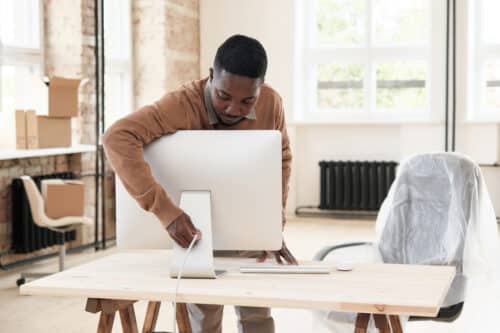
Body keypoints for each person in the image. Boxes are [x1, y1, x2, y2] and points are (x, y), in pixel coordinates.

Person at [102, 34, 297, 333]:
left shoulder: (272, 102)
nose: (234, 109)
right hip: (195, 230)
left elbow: (280, 159)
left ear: (261, 88)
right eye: (224, 96)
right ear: (211, 76)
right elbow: (117, 137)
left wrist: (272, 224)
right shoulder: (180, 104)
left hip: (248, 227)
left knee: (257, 314)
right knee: (203, 319)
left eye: (248, 101)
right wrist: (166, 211)